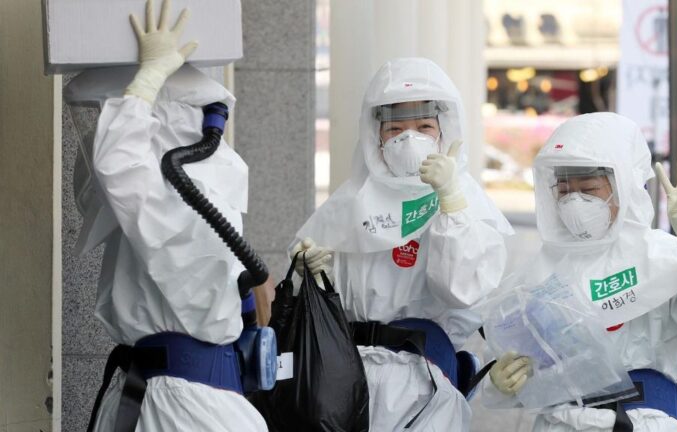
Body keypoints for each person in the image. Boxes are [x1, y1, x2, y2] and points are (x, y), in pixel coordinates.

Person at [487, 112, 677, 431]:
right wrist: (501, 382)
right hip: (561, 422)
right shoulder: (543, 268)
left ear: (623, 186)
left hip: (646, 420)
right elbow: (530, 365)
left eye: (588, 189)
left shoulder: (658, 255)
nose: (574, 202)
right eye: (564, 191)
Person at [292, 57, 516, 431]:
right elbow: (312, 294)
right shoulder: (351, 202)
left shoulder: (466, 203)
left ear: (444, 130)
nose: (408, 139)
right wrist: (308, 272)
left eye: (423, 126)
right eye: (394, 129)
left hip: (424, 377)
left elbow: (463, 289)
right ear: (375, 136)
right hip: (344, 375)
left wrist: (451, 203)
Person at [82, 0, 268, 430]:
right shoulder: (201, 196)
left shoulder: (184, 197)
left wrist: (146, 81)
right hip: (178, 396)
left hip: (180, 408)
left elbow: (120, 168)